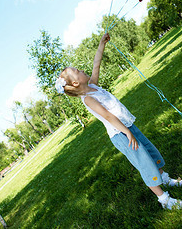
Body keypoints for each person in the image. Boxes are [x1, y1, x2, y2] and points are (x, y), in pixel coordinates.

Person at [55, 33, 182, 210]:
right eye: (77, 71)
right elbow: (107, 115)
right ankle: (165, 200)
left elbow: (96, 64)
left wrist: (101, 44)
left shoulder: (92, 85)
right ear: (75, 83)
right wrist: (127, 132)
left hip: (127, 126)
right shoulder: (88, 99)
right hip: (121, 133)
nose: (80, 70)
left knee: (149, 151)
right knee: (143, 162)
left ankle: (166, 179)